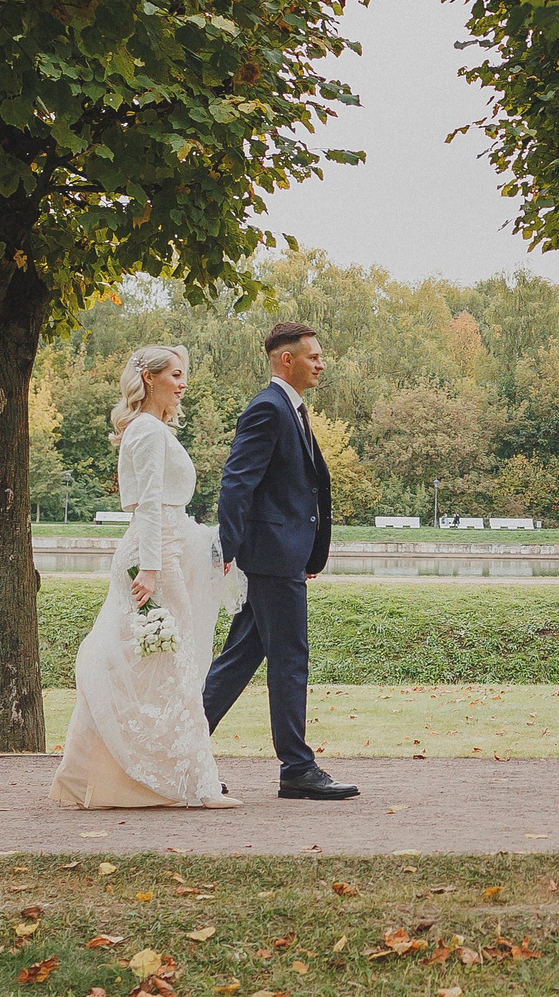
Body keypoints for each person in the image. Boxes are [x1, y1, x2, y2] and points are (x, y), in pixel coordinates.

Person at [50, 345, 244, 809]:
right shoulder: (148, 432)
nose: (183, 383)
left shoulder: (151, 430)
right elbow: (151, 504)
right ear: (150, 378)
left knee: (156, 666)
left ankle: (112, 776)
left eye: (184, 375)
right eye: (175, 374)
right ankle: (196, 783)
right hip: (155, 557)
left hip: (165, 550)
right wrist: (154, 570)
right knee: (171, 664)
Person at [205, 321, 358, 800]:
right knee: (290, 660)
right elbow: (237, 481)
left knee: (238, 659)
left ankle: (177, 745)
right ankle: (297, 768)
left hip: (282, 555)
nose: (321, 363)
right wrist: (227, 549)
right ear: (285, 359)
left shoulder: (290, 409)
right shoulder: (268, 408)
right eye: (313, 356)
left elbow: (300, 487)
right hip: (270, 558)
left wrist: (310, 550)